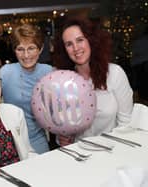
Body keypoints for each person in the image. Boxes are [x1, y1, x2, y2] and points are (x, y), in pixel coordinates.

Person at [53, 17, 133, 146]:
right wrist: (62, 138)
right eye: (69, 44)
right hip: (80, 155)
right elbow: (63, 128)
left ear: (91, 40)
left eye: (80, 40)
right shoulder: (63, 82)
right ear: (64, 50)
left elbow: (126, 124)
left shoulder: (114, 74)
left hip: (114, 150)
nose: (75, 48)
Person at [0, 24, 54, 153]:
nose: (26, 55)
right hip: (10, 142)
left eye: (31, 48)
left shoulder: (49, 72)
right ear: (14, 50)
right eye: (20, 49)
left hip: (38, 139)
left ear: (40, 49)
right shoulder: (5, 72)